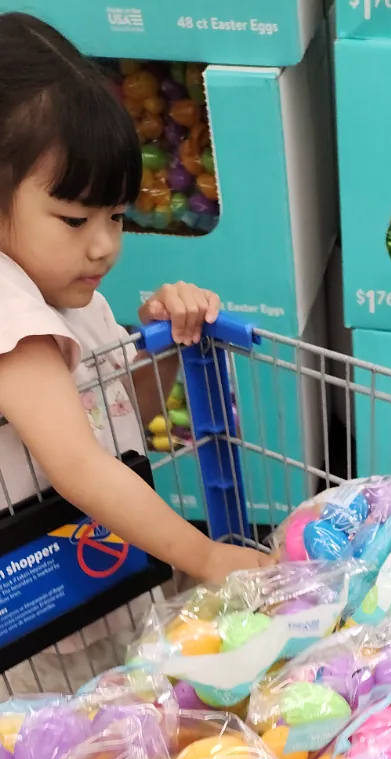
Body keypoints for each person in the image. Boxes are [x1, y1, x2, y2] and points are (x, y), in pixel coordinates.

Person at [0, 12, 266, 584]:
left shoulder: (71, 297)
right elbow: (77, 464)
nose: (103, 247)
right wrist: (205, 555)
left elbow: (122, 417)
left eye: (116, 216)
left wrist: (165, 340)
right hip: (38, 600)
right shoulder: (7, 309)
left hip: (99, 569)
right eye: (74, 219)